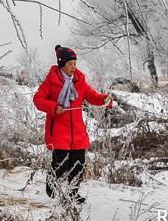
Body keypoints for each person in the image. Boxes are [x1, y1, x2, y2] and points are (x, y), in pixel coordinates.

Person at [33, 45, 113, 204]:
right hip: (58, 131)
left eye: (75, 63)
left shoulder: (79, 80)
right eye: (70, 64)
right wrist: (54, 107)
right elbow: (38, 100)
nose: (73, 67)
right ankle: (51, 184)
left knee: (79, 165)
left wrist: (104, 99)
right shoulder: (52, 81)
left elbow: (92, 95)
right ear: (62, 64)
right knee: (61, 164)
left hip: (77, 131)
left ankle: (72, 193)